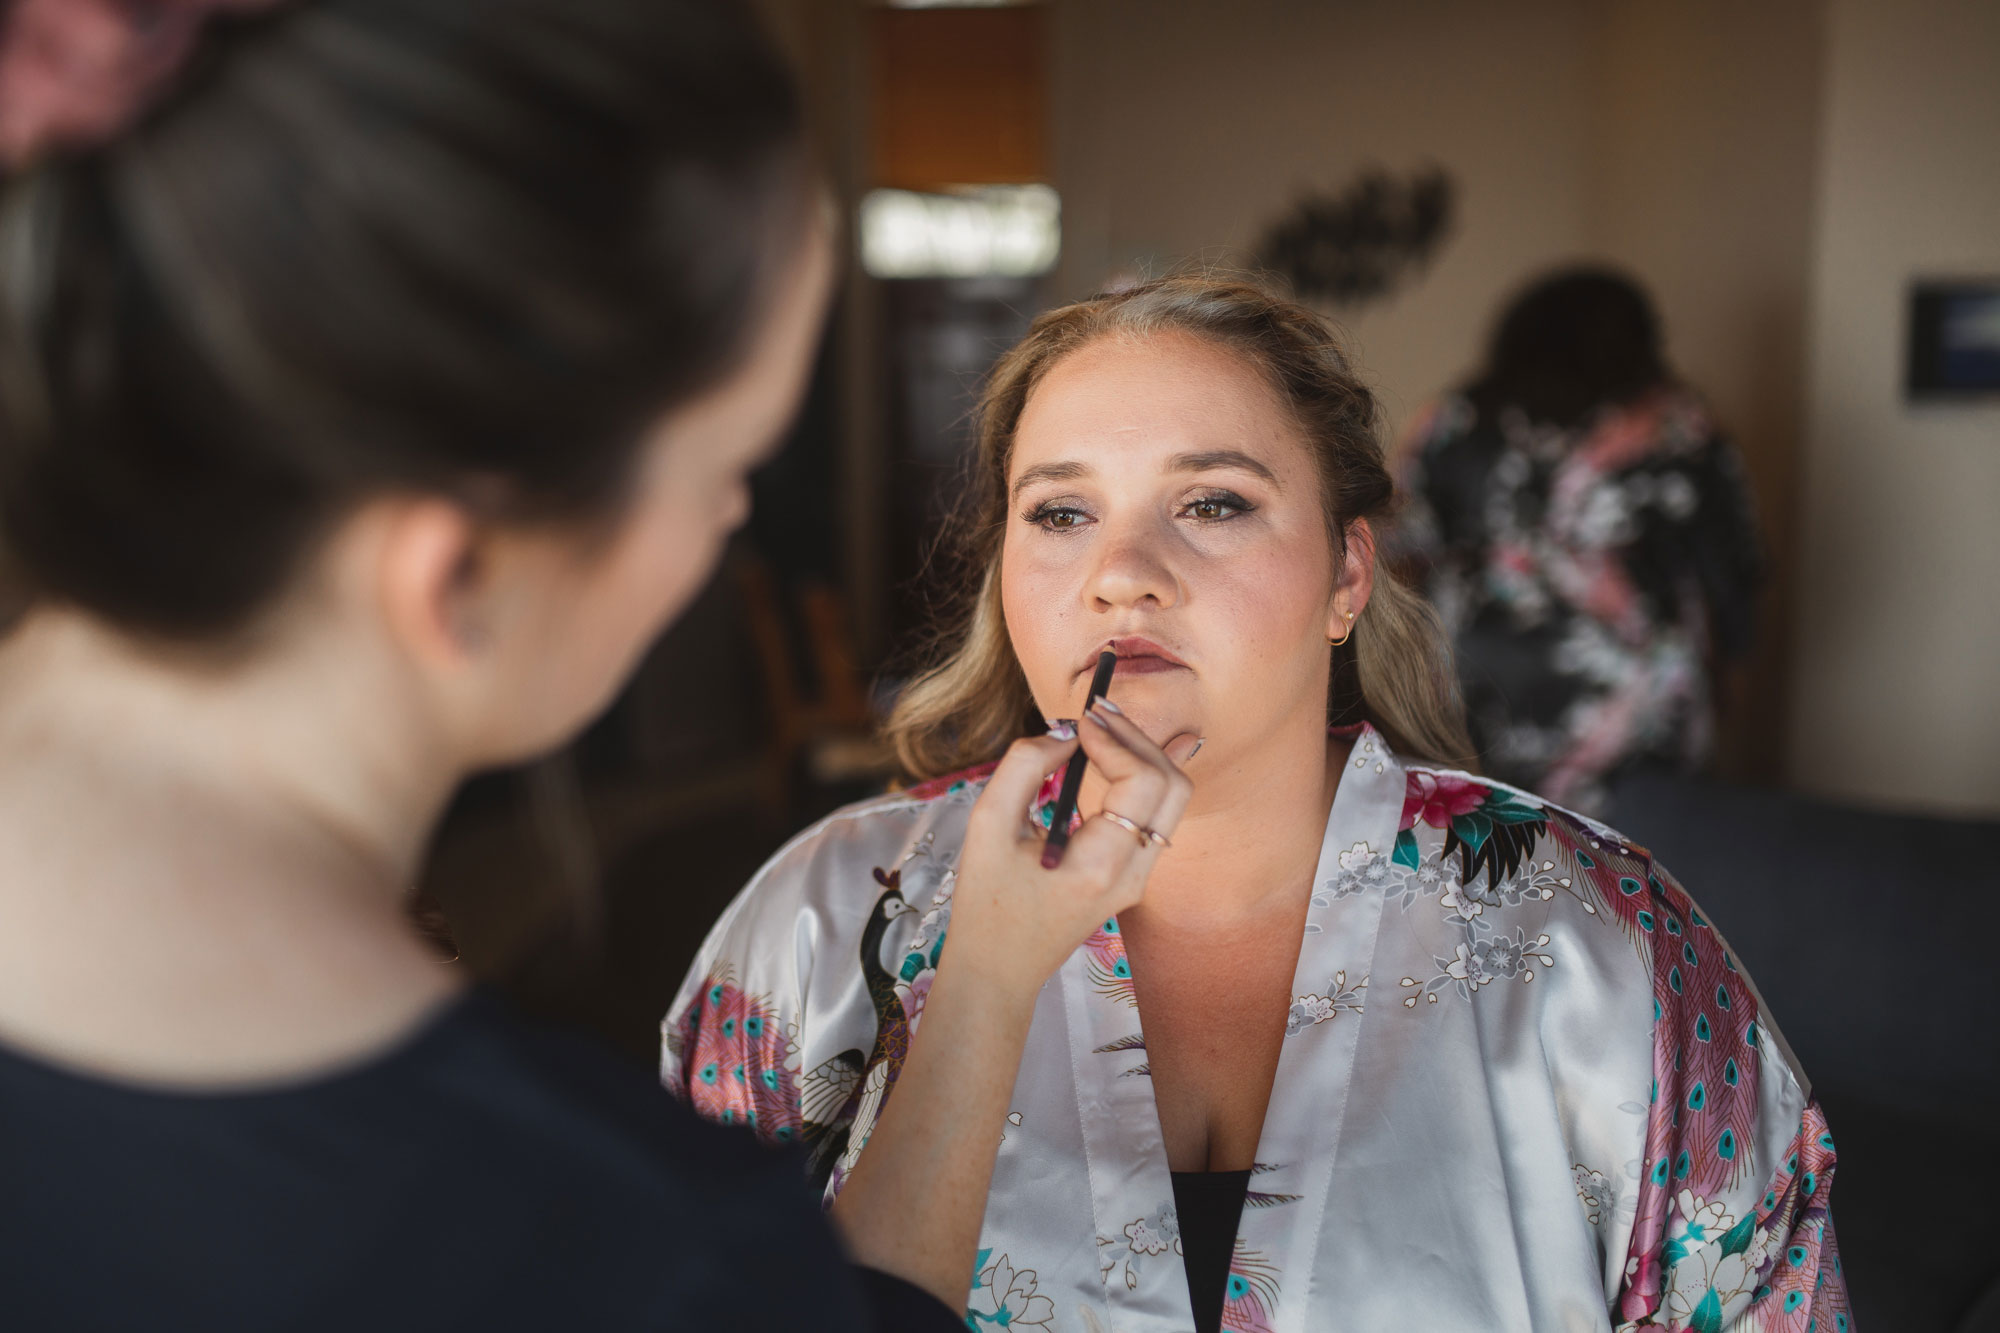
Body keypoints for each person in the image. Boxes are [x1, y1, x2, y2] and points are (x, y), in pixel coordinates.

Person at [0, 1, 1169, 1326]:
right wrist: (988, 992)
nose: (730, 523)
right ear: (459, 575)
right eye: (724, 471)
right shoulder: (615, 1250)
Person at [664, 276, 1851, 1332]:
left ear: (1346, 573)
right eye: (1060, 513)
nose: (1119, 569)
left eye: (1214, 502)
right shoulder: (820, 928)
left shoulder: (1603, 941)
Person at [1390, 267, 1764, 816]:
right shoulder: (1679, 428)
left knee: (1485, 870)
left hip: (1474, 687)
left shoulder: (1453, 420)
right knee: (1631, 880)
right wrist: (1728, 671)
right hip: (1636, 701)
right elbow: (1731, 571)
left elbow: (1395, 547)